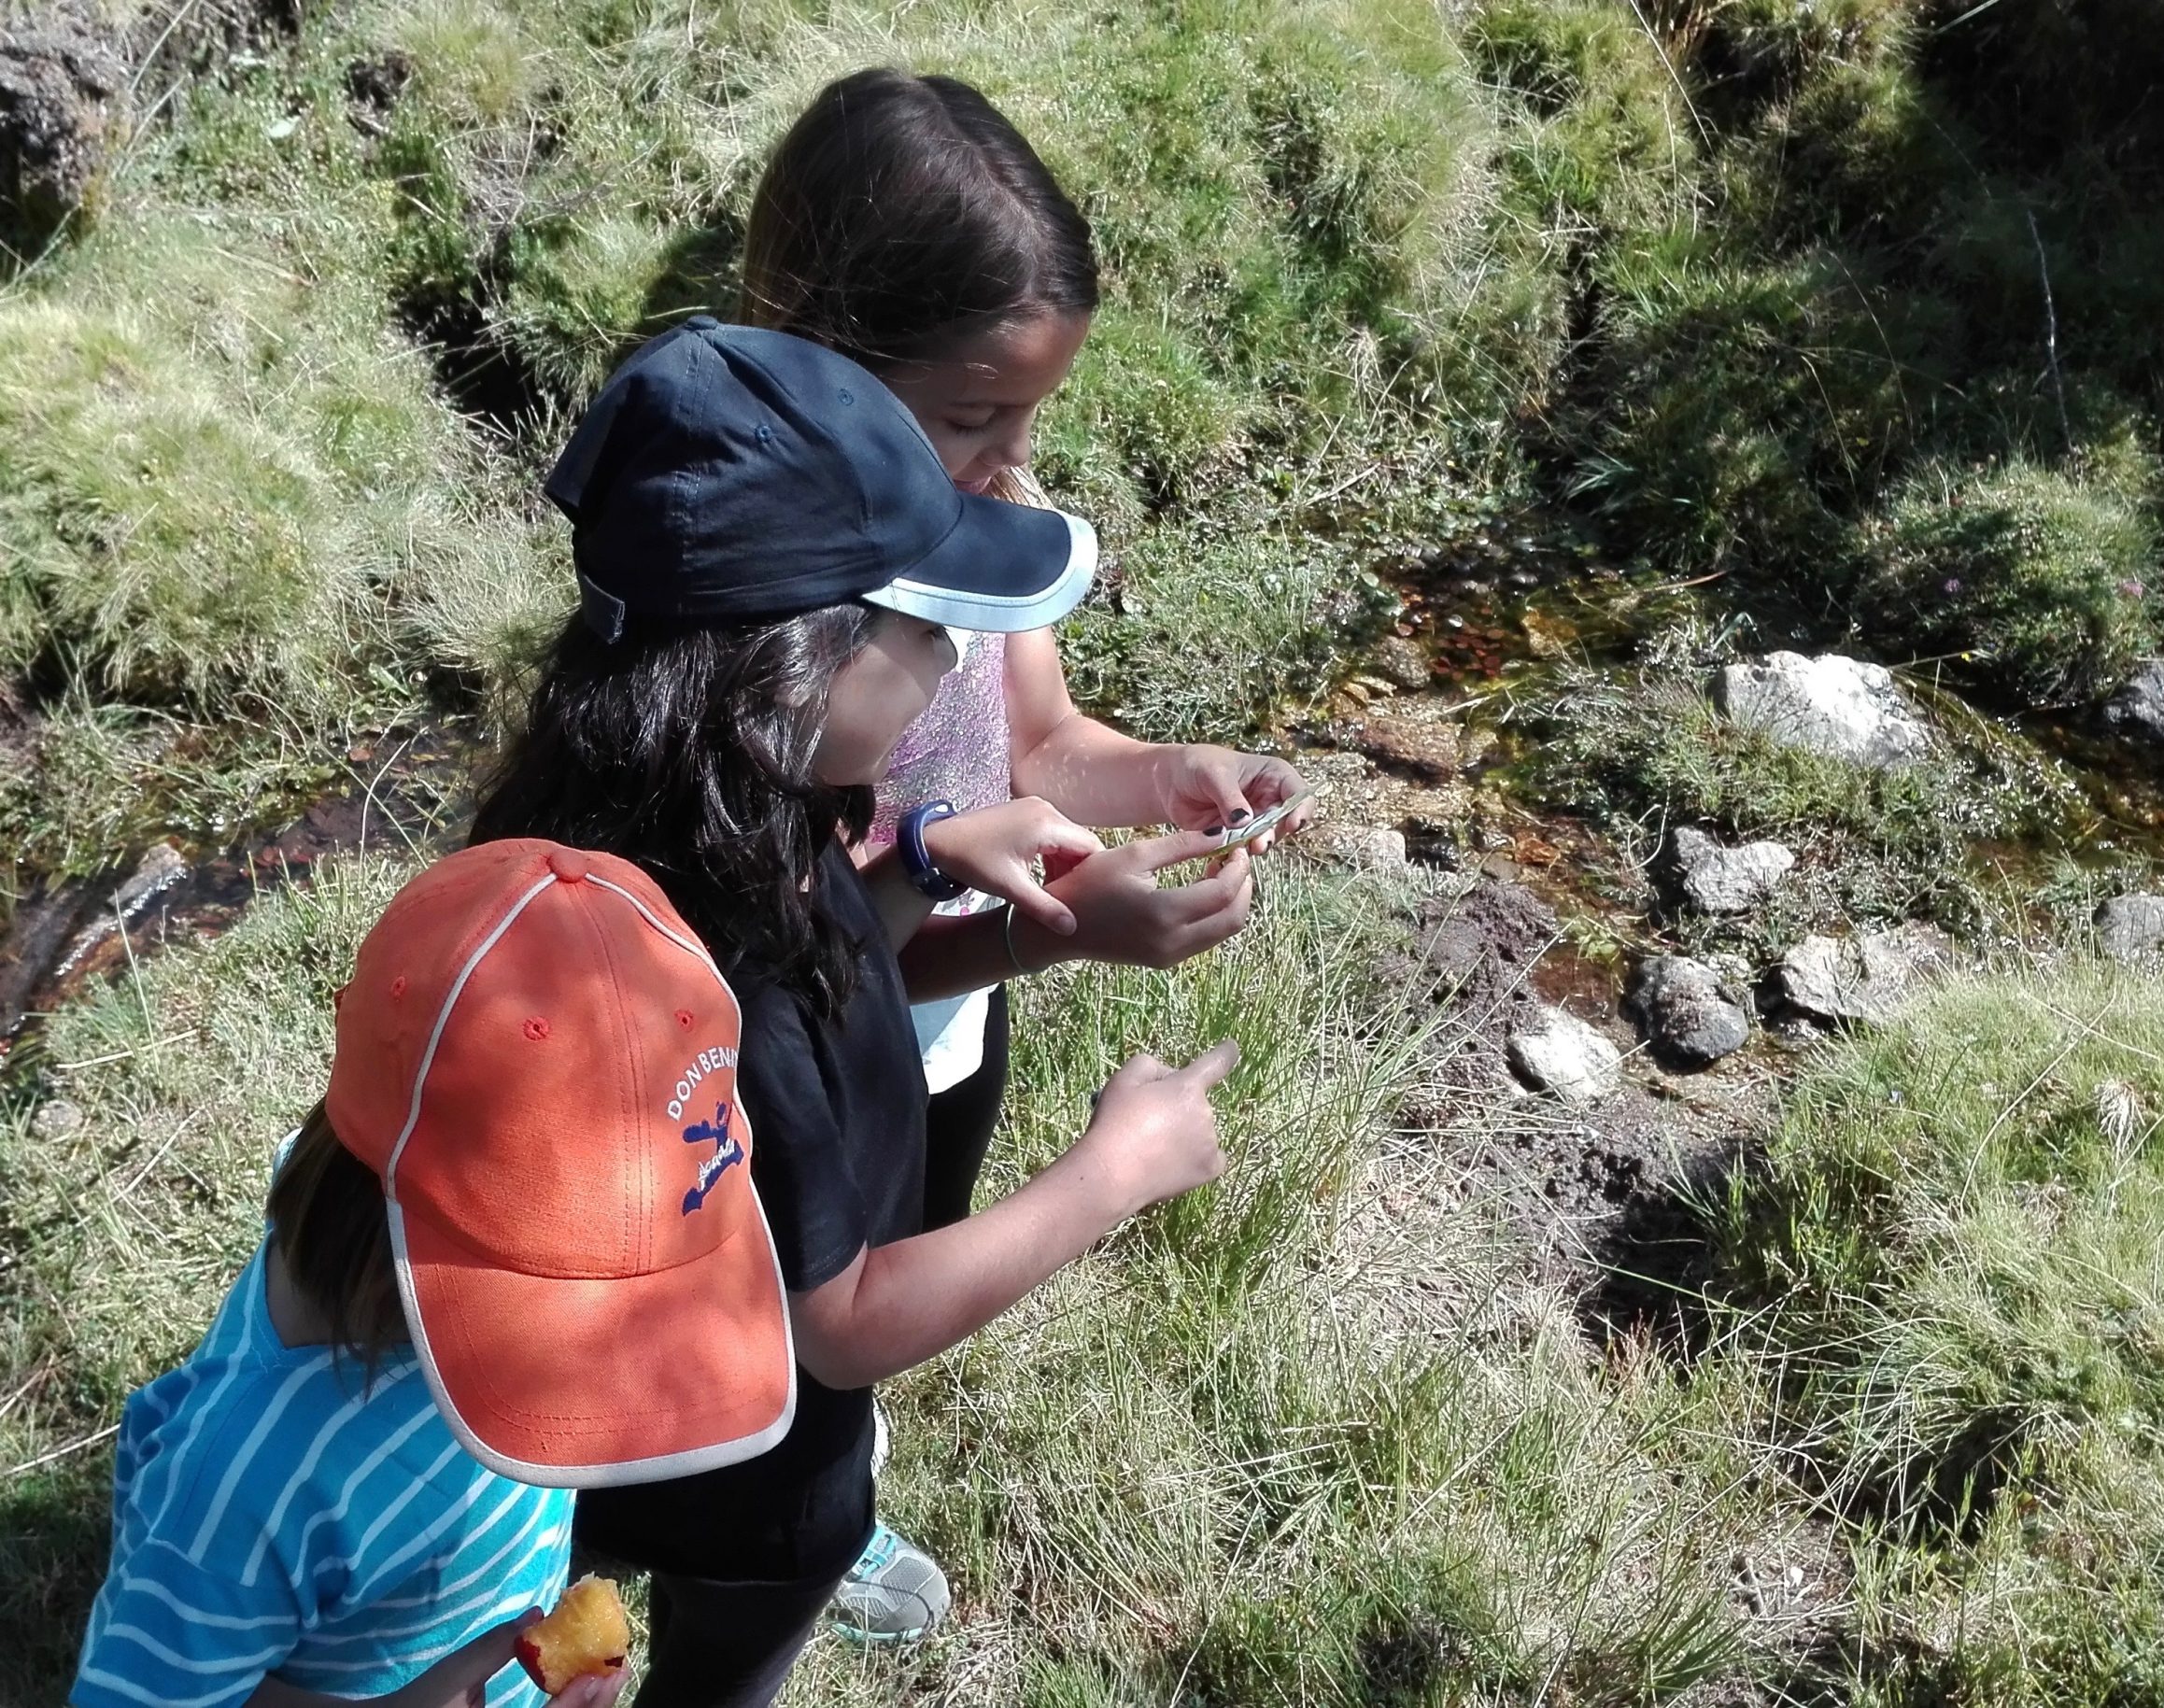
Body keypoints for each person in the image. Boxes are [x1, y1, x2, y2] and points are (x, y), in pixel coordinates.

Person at [471, 318, 1246, 1706]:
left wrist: (970, 895)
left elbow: (844, 977)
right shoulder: (718, 956)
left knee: (557, 1610)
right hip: (752, 1464)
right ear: (794, 658)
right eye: (915, 628)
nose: (951, 670)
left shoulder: (683, 810)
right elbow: (845, 1318)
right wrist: (1114, 1170)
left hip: (592, 1414)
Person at [737, 68, 1313, 1630]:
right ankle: (756, 1503)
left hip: (943, 1018)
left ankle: (827, 1485)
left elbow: (1040, 739)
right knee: (788, 1297)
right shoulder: (763, 615)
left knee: (909, 1239)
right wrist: (1058, 923)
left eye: (1033, 412)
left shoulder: (995, 523)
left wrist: (1171, 774)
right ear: (824, 357)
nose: (1007, 459)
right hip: (803, 1036)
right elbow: (802, 949)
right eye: (973, 412)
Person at [71, 836, 811, 1708]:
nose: (605, 1390)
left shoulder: (394, 1202)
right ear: (406, 1236)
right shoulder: (243, 1493)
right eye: (572, 1322)